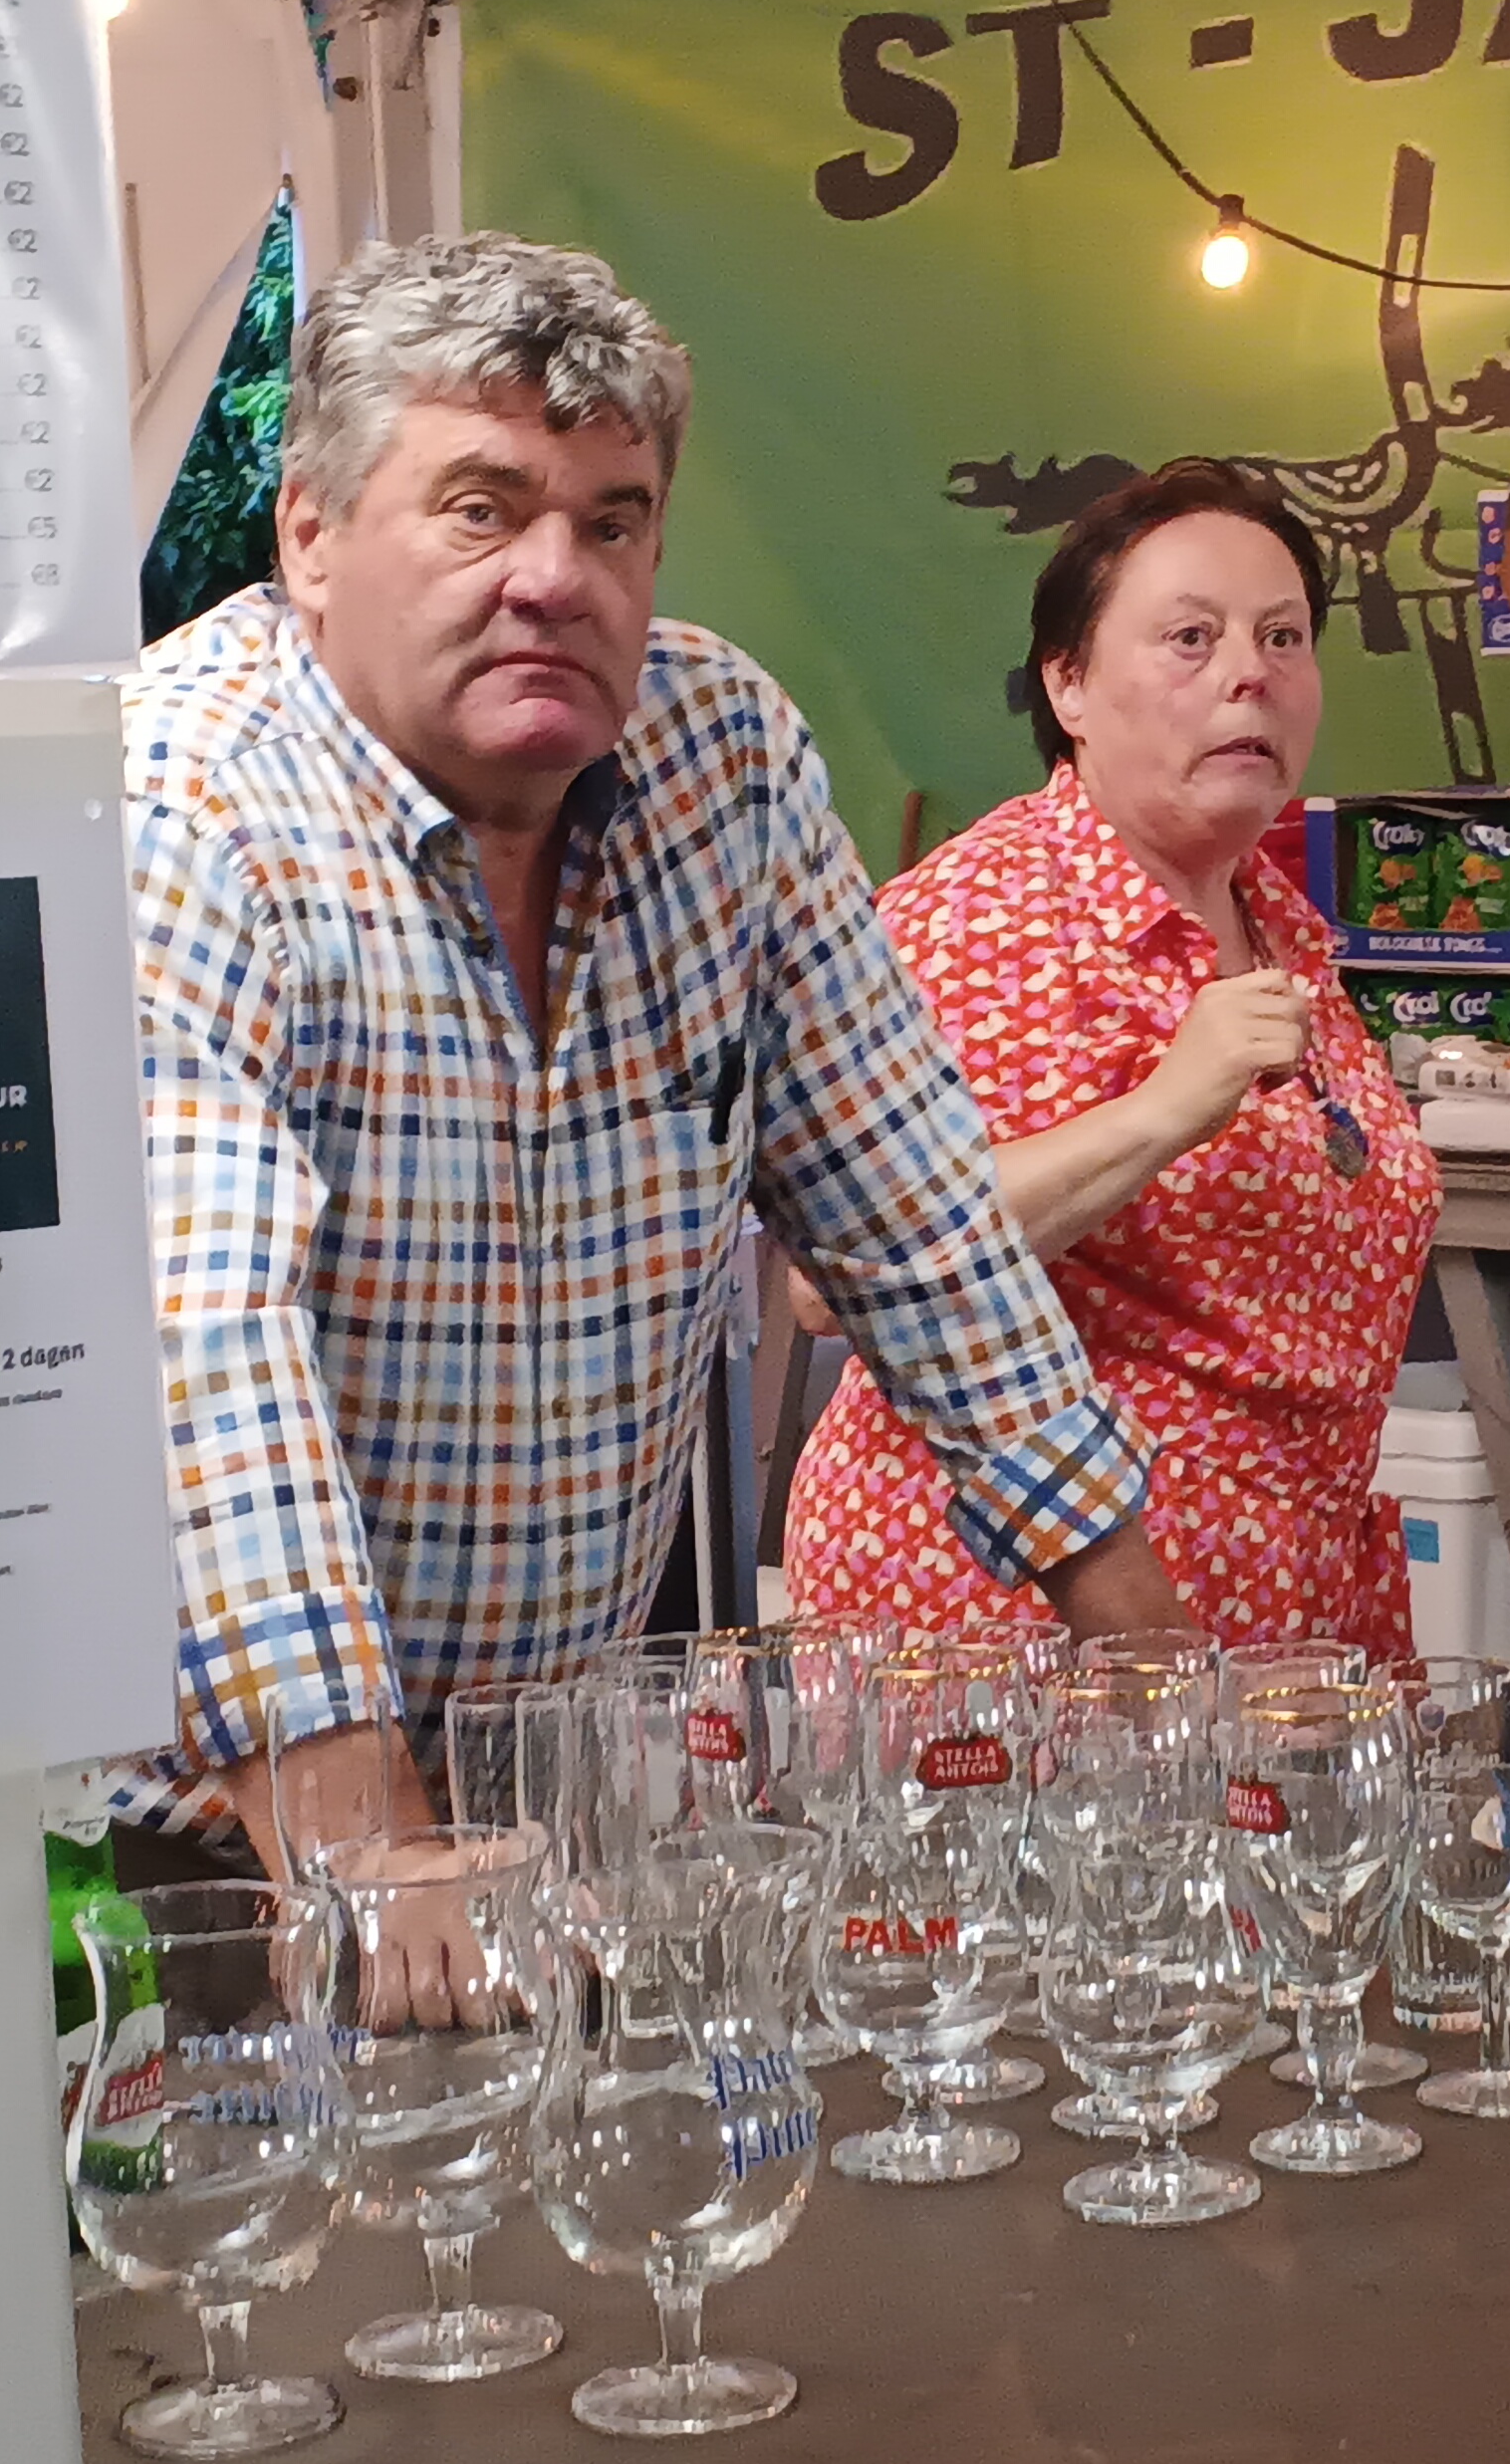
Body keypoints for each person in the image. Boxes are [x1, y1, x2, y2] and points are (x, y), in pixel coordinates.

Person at [120, 232, 1191, 1983]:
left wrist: (1159, 1670)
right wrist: (370, 1853)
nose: (555, 577)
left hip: (555, 1813)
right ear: (309, 537)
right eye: (480, 509)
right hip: (208, 1848)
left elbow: (918, 1217)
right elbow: (201, 1349)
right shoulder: (179, 804)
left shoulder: (723, 760)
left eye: (611, 522)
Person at [780, 458, 1439, 1656]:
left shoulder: (1274, 917)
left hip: (1276, 1608)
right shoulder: (979, 920)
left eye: (1282, 637)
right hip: (1014, 1622)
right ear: (1069, 684)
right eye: (1191, 637)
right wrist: (1162, 1110)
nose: (1249, 672)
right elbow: (838, 1277)